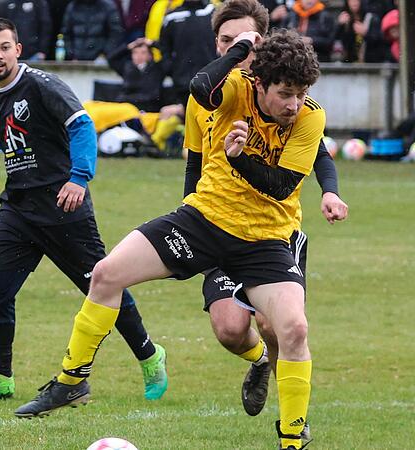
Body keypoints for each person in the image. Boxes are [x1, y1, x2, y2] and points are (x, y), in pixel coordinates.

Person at [17, 28, 322, 450]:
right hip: (204, 221)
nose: (294, 104)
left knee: (294, 330)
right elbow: (199, 86)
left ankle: (292, 440)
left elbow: (280, 186)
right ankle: (72, 381)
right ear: (260, 82)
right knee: (106, 274)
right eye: (285, 93)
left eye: (301, 93)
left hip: (265, 240)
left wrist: (240, 158)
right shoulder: (237, 87)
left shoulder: (310, 116)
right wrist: (240, 49)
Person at [0, 18, 167, 402]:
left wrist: (79, 177)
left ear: (17, 49)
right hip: (18, 211)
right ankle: (0, 377)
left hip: (63, 206)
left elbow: (82, 126)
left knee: (103, 285)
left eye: (5, 47)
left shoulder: (42, 85)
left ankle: (150, 355)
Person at [183, 0, 347, 428]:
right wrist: (190, 214)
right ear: (218, 42)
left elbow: (319, 153)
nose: (239, 49)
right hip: (218, 223)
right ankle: (258, 363)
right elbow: (195, 161)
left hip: (273, 232)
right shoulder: (214, 92)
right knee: (229, 329)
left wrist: (330, 192)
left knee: (279, 327)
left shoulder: (285, 95)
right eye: (227, 40)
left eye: (249, 41)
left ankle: (291, 417)